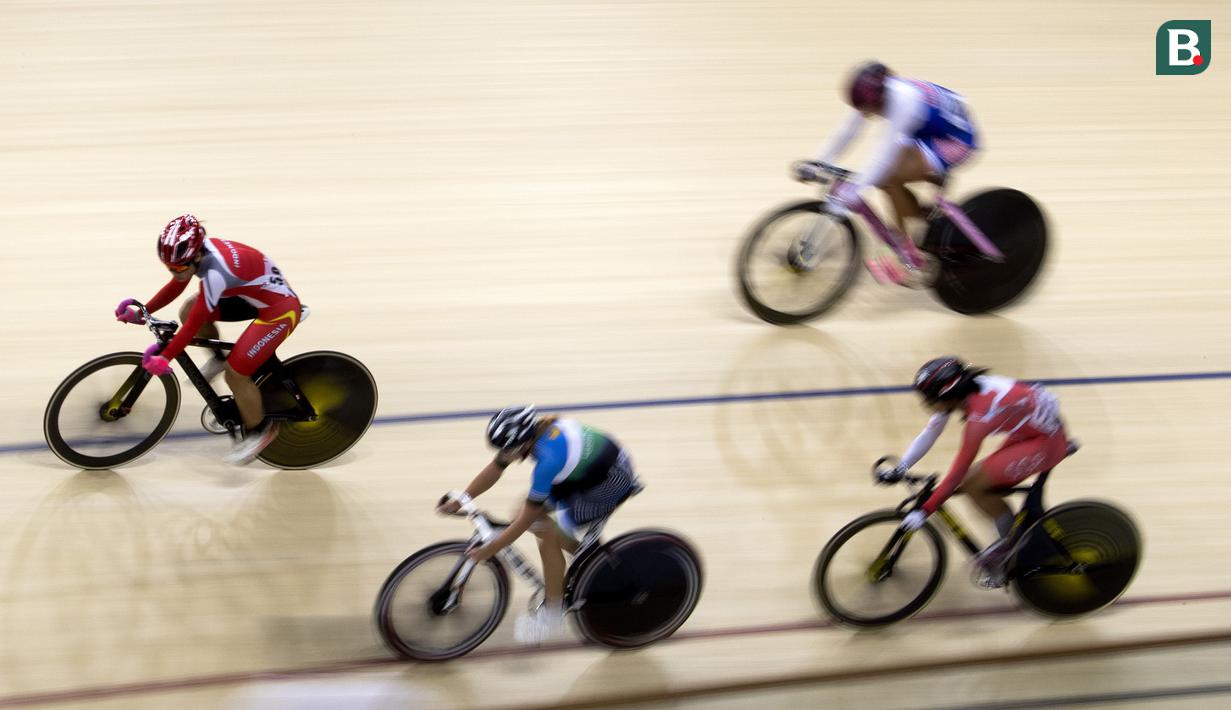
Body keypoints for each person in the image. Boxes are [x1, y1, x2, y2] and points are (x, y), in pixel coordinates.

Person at [437, 405, 643, 644]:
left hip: (608, 482)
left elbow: (525, 520)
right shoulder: (531, 435)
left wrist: (491, 549)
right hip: (585, 471)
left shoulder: (547, 461)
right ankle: (590, 560)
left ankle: (553, 613)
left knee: (547, 538)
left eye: (507, 449)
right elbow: (496, 467)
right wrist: (462, 498)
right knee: (529, 515)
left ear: (523, 443)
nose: (504, 454)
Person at [114, 214, 302, 464]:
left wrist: (165, 357)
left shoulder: (215, 273)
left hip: (279, 311)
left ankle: (261, 431)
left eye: (180, 267)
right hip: (251, 295)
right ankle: (217, 358)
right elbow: (178, 284)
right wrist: (145, 310)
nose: (175, 271)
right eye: (169, 267)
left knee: (235, 374)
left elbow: (192, 327)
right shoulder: (198, 254)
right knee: (187, 309)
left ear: (197, 256)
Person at [879, 357, 1069, 586]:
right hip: (1029, 432)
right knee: (972, 483)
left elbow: (958, 472)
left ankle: (1010, 550)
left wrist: (925, 510)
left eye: (930, 400)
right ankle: (1013, 543)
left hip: (1046, 442)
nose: (928, 405)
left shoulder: (980, 415)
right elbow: (931, 431)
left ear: (948, 395)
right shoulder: (966, 391)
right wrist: (902, 466)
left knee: (972, 483)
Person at [796, 61, 980, 284]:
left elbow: (883, 155)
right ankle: (918, 218)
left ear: (881, 98)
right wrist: (819, 162)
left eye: (870, 108)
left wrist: (856, 188)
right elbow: (847, 132)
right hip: (924, 131)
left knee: (886, 176)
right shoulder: (876, 95)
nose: (866, 113)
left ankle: (907, 253)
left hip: (955, 141)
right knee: (885, 178)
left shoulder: (903, 100)